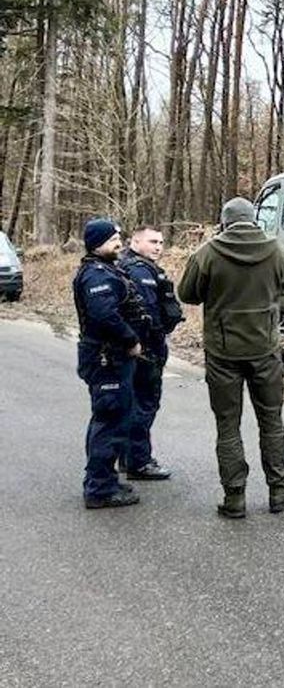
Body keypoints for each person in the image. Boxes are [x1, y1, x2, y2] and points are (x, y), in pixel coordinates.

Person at [177, 197, 284, 518]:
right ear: (254, 219)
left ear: (224, 221)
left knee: (228, 425)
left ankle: (234, 498)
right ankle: (279, 492)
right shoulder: (278, 251)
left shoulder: (207, 253)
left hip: (222, 351)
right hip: (266, 350)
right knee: (272, 421)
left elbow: (187, 293)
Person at [73, 218, 144, 509]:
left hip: (110, 357)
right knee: (110, 420)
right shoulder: (96, 275)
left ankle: (104, 479)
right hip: (107, 358)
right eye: (113, 239)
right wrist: (130, 340)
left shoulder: (106, 270)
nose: (120, 243)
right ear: (97, 243)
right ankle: (100, 489)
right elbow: (105, 315)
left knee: (109, 418)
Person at [118, 225, 184, 481]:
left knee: (136, 403)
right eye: (152, 241)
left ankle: (128, 457)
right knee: (144, 403)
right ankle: (139, 461)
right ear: (135, 242)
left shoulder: (132, 267)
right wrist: (152, 341)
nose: (158, 246)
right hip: (146, 348)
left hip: (141, 346)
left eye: (161, 242)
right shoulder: (138, 272)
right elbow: (145, 315)